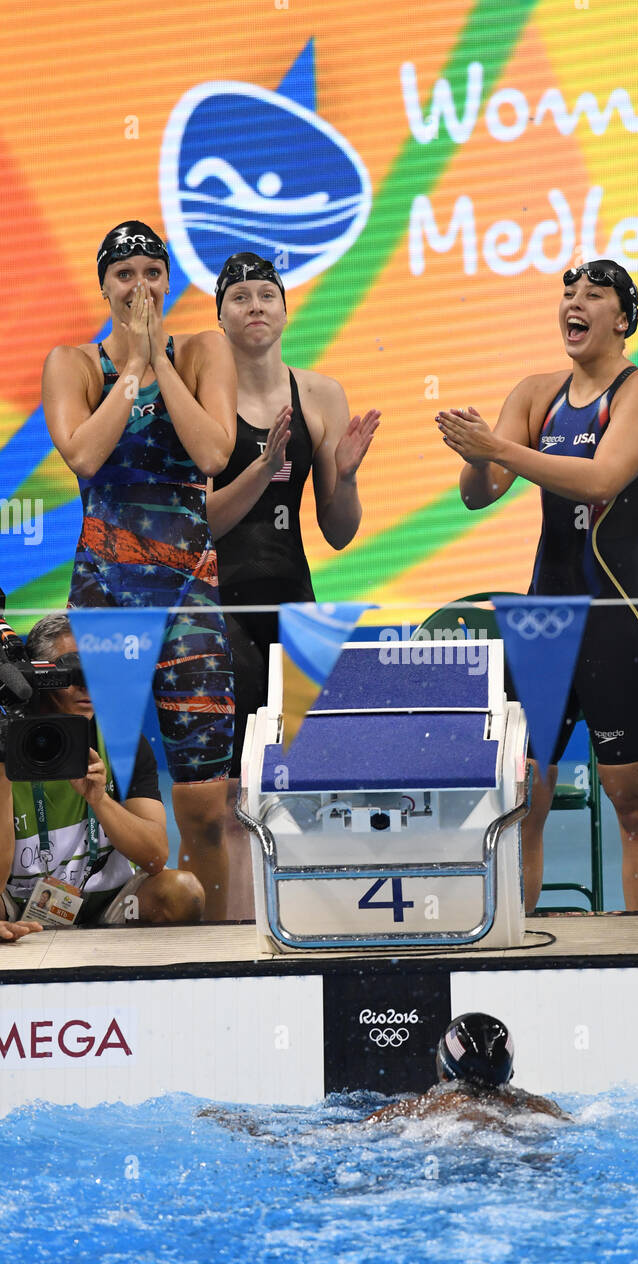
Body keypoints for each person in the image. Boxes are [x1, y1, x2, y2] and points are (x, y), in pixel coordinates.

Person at [436, 256, 638, 914]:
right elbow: (480, 495)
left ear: (621, 317)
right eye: (568, 293)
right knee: (520, 798)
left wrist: (499, 448)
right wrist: (477, 456)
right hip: (541, 628)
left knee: (633, 801)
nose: (575, 303)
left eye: (593, 295)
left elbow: (600, 482)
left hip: (616, 621)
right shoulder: (535, 393)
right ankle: (513, 940)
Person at [41, 221, 237, 920]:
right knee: (98, 773)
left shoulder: (205, 352)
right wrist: (131, 369)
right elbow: (84, 457)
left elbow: (214, 453)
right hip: (104, 596)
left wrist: (160, 359)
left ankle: (210, 943)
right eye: (124, 275)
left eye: (153, 272)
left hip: (189, 599)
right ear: (103, 286)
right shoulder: (74, 363)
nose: (140, 286)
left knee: (206, 803)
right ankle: (85, 917)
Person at [207, 253, 380, 916]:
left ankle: (301, 929)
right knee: (229, 794)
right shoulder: (200, 396)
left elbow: (337, 531)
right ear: (219, 315)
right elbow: (199, 525)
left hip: (294, 609)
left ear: (284, 309)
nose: (255, 305)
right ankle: (231, 940)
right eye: (240, 296)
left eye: (267, 295)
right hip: (219, 606)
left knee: (294, 787)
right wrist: (262, 469)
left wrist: (349, 475)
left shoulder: (320, 395)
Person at [0, 614, 205, 942]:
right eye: (73, 672)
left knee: (182, 892)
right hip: (18, 905)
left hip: (109, 904)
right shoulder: (5, 745)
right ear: (39, 675)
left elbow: (154, 856)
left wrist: (100, 799)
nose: (88, 686)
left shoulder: (122, 742)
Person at [365, 1013, 566, 1125]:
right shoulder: (543, 1108)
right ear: (510, 1072)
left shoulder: (421, 1109)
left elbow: (349, 1133)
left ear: (444, 1072)